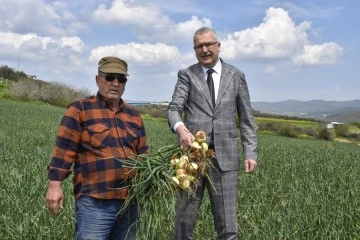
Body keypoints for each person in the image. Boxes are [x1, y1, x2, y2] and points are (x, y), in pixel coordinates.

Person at [167, 27, 258, 239]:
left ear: (218, 46)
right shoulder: (186, 75)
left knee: (227, 226)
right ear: (194, 49)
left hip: (225, 160)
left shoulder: (236, 75)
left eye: (209, 44)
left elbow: (246, 118)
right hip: (192, 159)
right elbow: (173, 109)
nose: (205, 49)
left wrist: (251, 153)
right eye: (199, 46)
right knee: (183, 222)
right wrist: (181, 129)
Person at [45, 56, 149, 240]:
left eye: (121, 79)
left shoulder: (134, 116)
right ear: (98, 80)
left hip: (130, 202)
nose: (115, 83)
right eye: (110, 77)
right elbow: (64, 149)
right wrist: (54, 186)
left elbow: (144, 155)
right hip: (95, 202)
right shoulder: (81, 109)